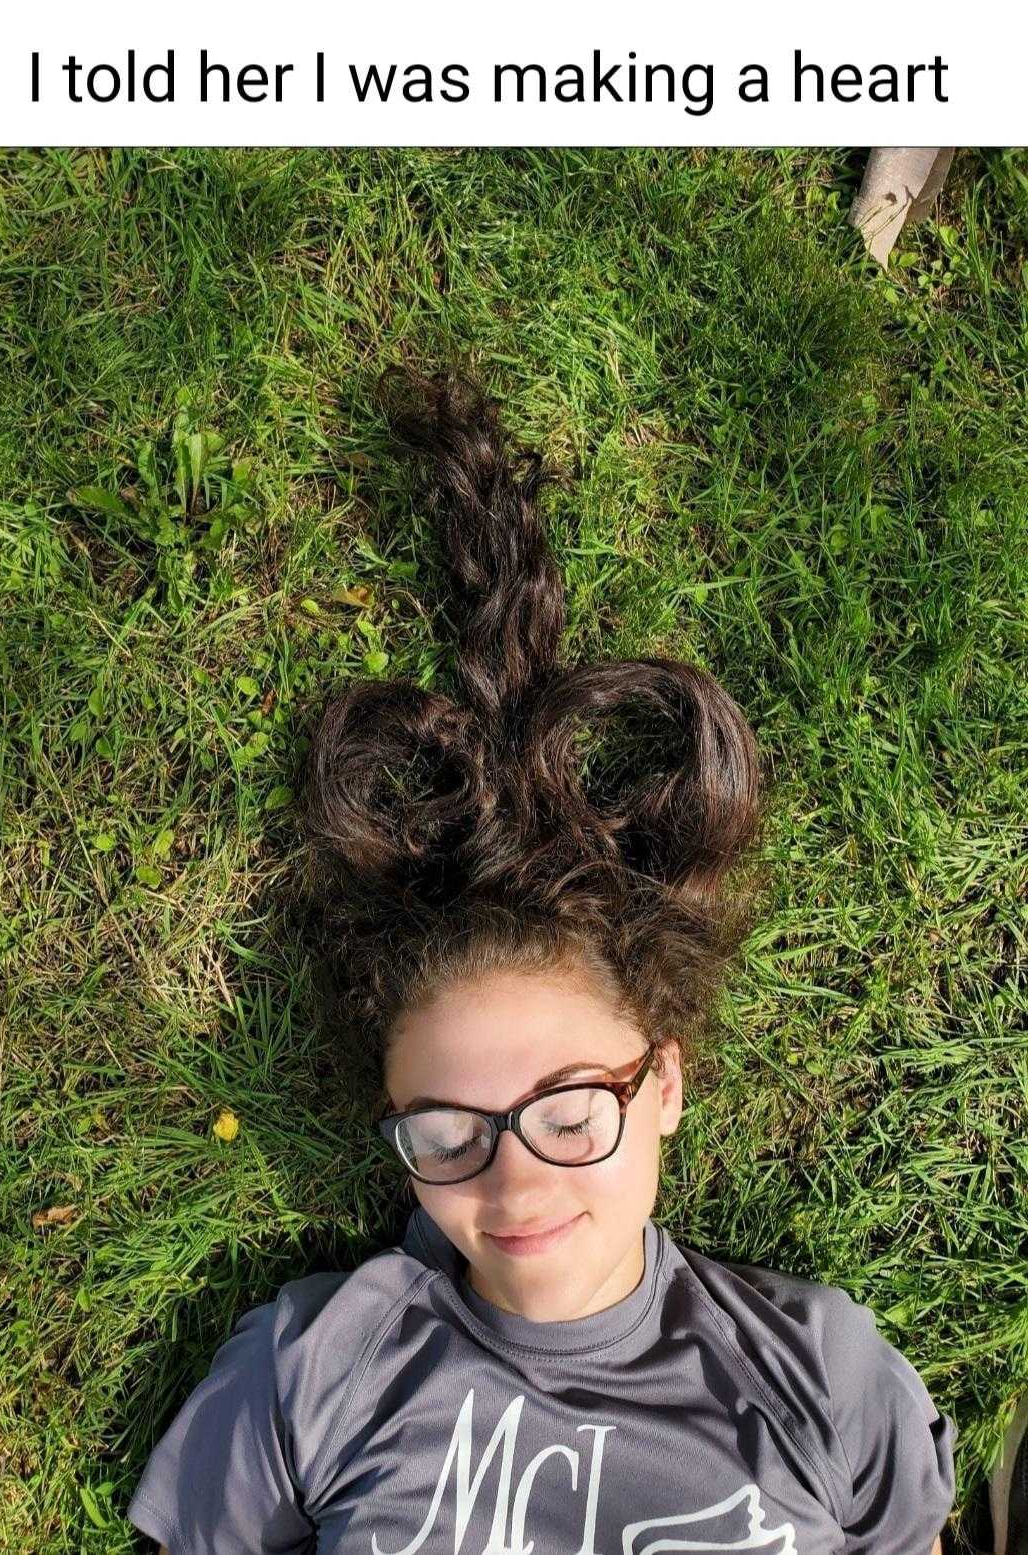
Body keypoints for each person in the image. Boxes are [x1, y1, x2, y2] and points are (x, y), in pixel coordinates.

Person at [125, 365, 999, 1555]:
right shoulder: (314, 1368)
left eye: (573, 1111)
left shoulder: (823, 1373)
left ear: (667, 1087)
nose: (516, 1184)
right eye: (447, 1131)